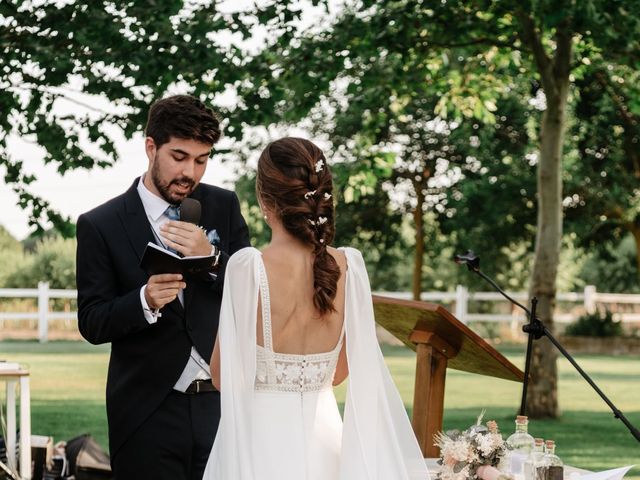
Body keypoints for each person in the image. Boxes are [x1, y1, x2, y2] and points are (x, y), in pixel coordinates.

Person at [204, 137, 429, 479]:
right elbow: (339, 373)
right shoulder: (349, 266)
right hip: (325, 438)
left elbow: (222, 376)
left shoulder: (248, 268)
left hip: (261, 444)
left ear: (265, 200)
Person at [76, 94, 250, 480]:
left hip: (221, 407)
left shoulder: (223, 205)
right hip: (146, 413)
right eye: (179, 156)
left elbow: (254, 293)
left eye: (201, 160)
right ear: (151, 147)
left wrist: (214, 259)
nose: (190, 171)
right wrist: (144, 300)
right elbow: (91, 321)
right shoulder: (100, 224)